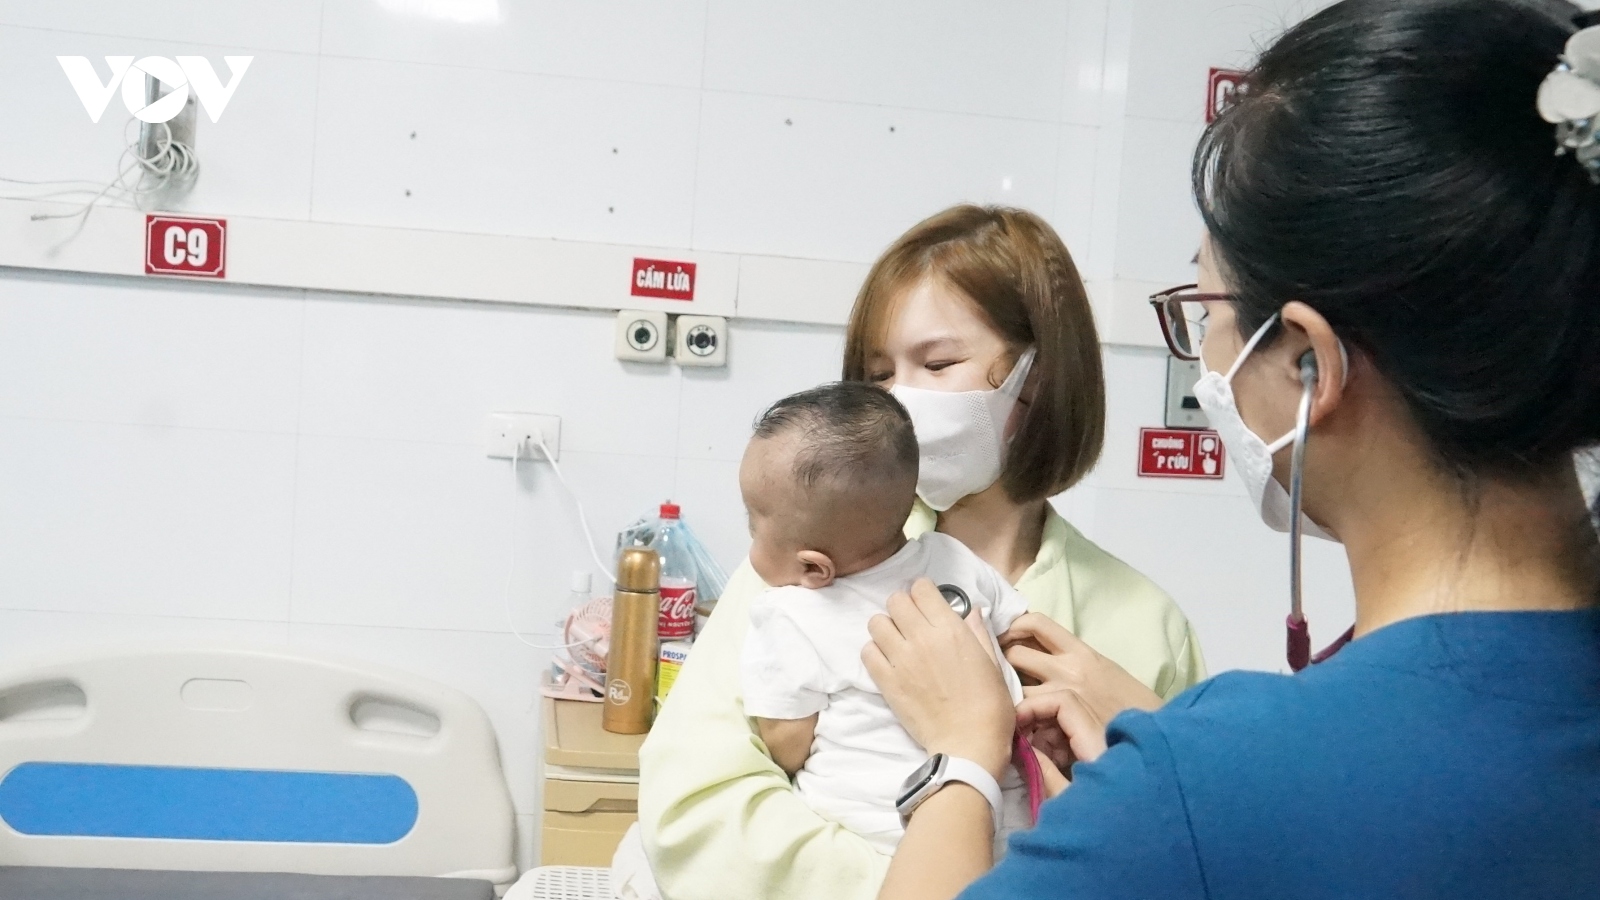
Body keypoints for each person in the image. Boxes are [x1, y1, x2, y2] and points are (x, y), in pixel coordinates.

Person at [864, 1, 1600, 897]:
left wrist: (963, 758)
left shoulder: (1199, 777)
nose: (1205, 357)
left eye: (1205, 310)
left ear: (1309, 363)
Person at [637, 205, 1205, 900]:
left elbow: (1187, 857)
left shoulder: (1145, 626)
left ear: (1039, 376)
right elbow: (694, 813)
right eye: (878, 373)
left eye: (937, 364)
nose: (900, 400)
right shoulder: (805, 569)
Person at [737, 382, 1033, 858]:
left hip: (866, 837)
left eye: (753, 525)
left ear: (814, 568)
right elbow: (1023, 638)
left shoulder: (787, 614)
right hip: (999, 827)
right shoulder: (954, 557)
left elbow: (786, 745)